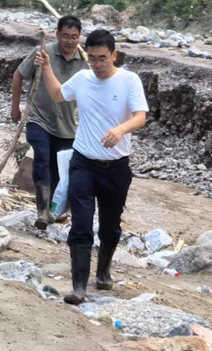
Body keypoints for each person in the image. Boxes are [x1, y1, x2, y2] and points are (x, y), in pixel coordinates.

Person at [35, 29, 148, 305]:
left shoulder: (129, 80)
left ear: (114, 55)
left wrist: (120, 130)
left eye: (102, 58)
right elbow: (58, 94)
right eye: (93, 59)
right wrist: (47, 68)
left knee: (110, 226)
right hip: (83, 163)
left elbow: (140, 117)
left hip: (117, 167)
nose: (97, 65)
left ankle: (104, 270)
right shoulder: (82, 79)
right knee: (81, 223)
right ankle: (78, 287)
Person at [12, 16, 88, 229]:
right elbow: (19, 75)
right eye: (65, 36)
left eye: (74, 37)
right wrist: (15, 107)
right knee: (42, 157)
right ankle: (42, 211)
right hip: (39, 117)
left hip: (68, 125)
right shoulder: (42, 53)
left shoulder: (85, 62)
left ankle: (53, 209)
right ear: (57, 35)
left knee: (58, 169)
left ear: (79, 37)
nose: (69, 41)